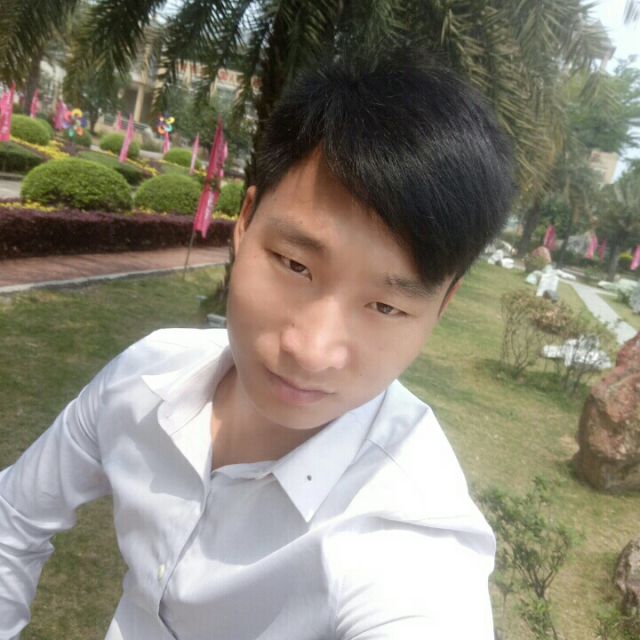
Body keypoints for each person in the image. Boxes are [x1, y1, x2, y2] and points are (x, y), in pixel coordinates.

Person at [0, 50, 515, 639]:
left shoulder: (409, 540)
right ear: (244, 222)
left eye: (386, 307)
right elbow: (14, 515)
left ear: (442, 308)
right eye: (295, 265)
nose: (312, 350)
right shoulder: (148, 376)